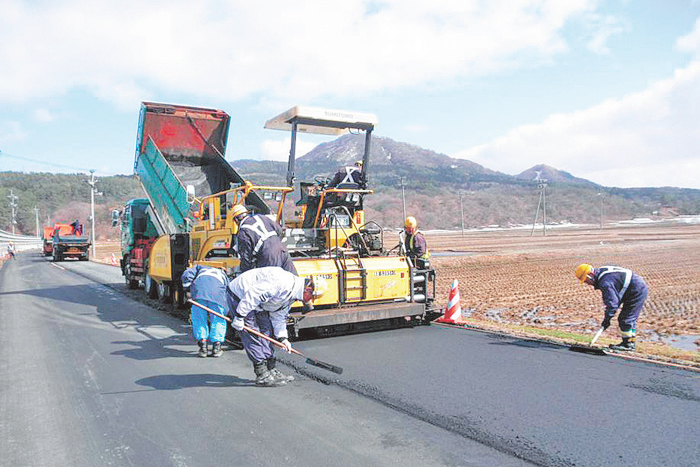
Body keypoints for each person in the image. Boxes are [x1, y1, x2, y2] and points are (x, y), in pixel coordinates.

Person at [227, 267, 315, 387]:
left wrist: (283, 338)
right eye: (312, 298)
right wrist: (240, 316)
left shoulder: (292, 295)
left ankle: (270, 368)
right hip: (241, 295)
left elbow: (278, 316)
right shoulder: (282, 283)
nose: (311, 301)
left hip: (260, 303)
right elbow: (254, 295)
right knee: (252, 333)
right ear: (308, 290)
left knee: (267, 331)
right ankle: (261, 374)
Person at [575, 264, 648, 351]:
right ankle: (629, 342)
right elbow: (614, 300)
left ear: (590, 275)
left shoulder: (605, 282)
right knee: (626, 318)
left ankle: (628, 344)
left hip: (636, 290)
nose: (587, 284)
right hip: (630, 288)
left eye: (586, 280)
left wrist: (607, 319)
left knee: (626, 318)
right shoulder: (601, 273)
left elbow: (612, 304)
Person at [229, 204, 297, 274]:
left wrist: (245, 273)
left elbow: (246, 258)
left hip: (268, 257)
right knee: (294, 280)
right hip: (282, 250)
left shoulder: (243, 232)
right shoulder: (261, 217)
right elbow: (279, 230)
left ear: (236, 220)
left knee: (271, 282)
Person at [181, 264, 230, 357]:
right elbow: (228, 293)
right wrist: (226, 312)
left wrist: (187, 289)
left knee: (199, 319)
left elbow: (186, 275)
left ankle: (203, 346)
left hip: (199, 292)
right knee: (218, 319)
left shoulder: (200, 268)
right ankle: (216, 347)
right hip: (217, 295)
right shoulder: (224, 276)